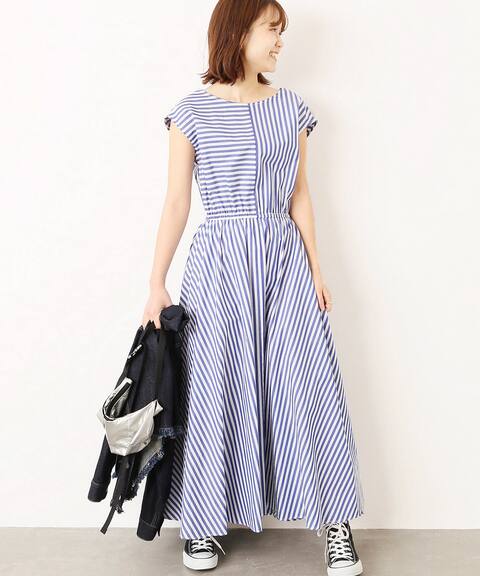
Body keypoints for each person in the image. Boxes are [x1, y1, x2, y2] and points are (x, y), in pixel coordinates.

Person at [143, 1, 365, 574]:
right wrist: (156, 283)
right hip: (217, 265)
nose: (280, 41)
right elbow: (176, 202)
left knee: (309, 384)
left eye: (282, 31)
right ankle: (202, 524)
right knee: (214, 388)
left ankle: (336, 525)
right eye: (273, 29)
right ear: (239, 30)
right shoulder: (190, 112)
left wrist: (317, 268)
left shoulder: (291, 108)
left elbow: (300, 194)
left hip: (284, 260)